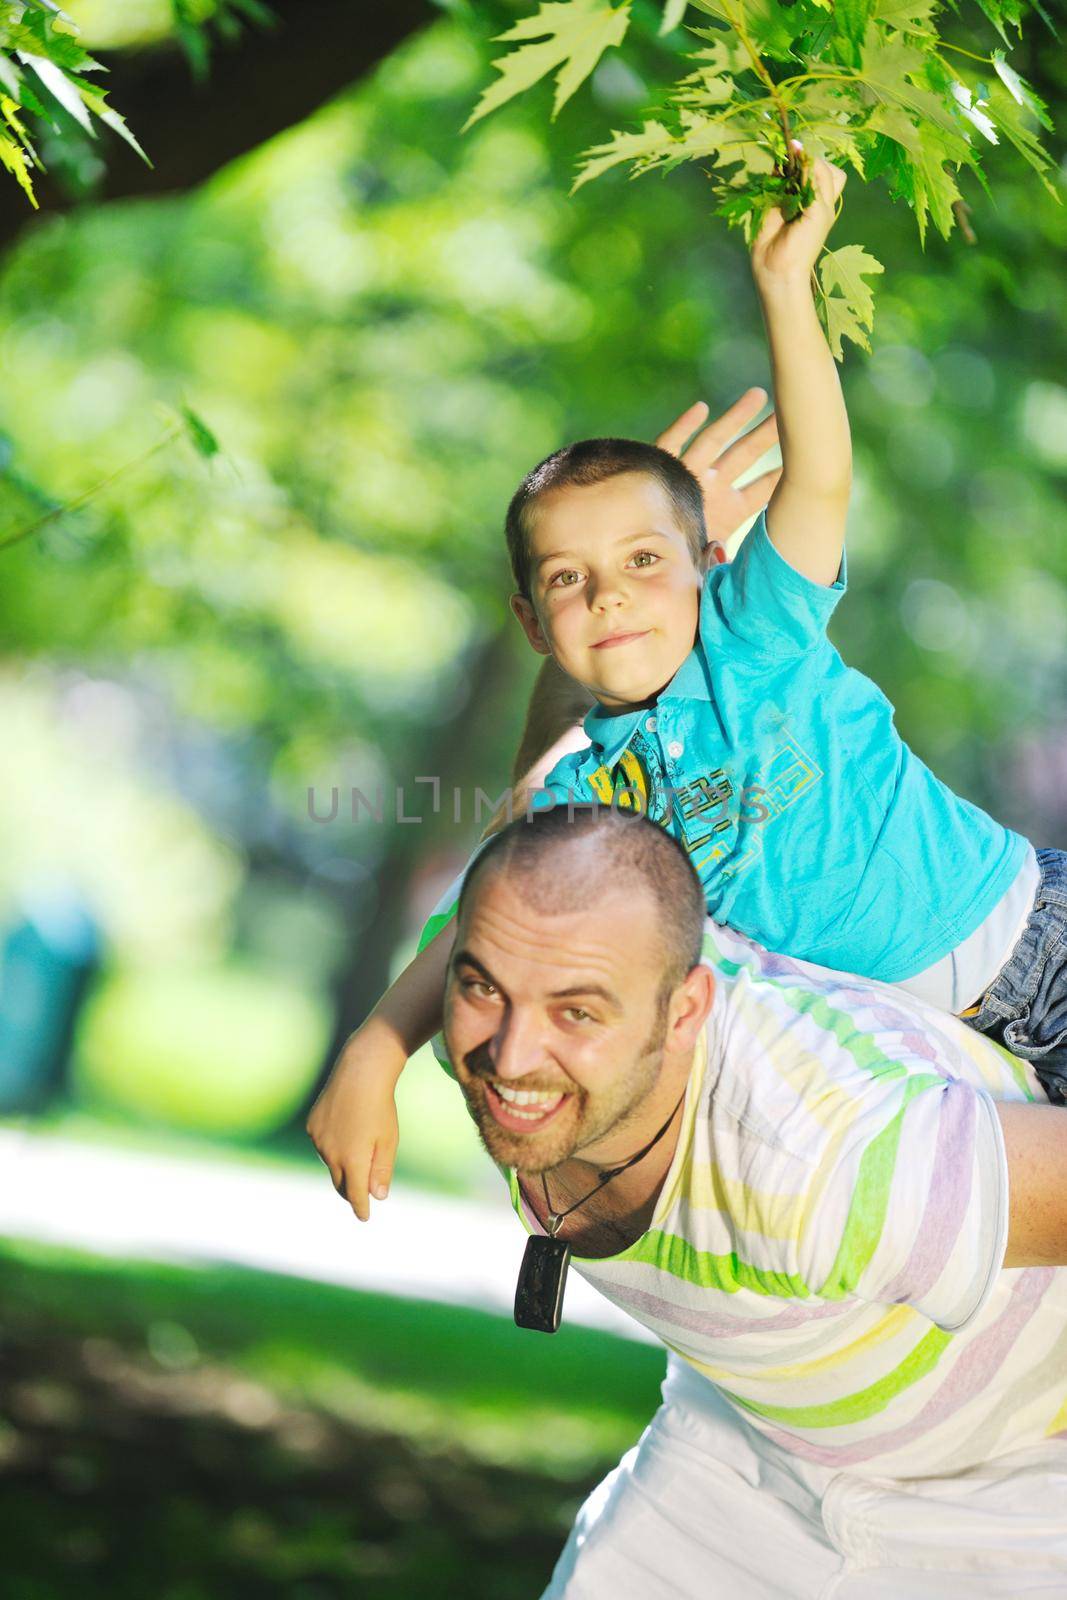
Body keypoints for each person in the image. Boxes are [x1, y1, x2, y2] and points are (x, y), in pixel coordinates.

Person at [307, 156, 1067, 1225]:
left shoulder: (752, 633)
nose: (610, 596)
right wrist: (372, 1053)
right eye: (568, 580)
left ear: (709, 560)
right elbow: (477, 929)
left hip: (1039, 944)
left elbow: (819, 478)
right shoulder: (591, 793)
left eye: (644, 562)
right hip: (928, 1065)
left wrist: (782, 284)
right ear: (532, 624)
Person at [440, 805, 1067, 1599]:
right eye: (480, 986)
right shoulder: (509, 987)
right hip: (745, 1446)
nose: (510, 1056)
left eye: (576, 1012)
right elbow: (551, 773)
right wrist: (369, 1052)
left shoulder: (828, 1155)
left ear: (685, 1009)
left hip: (1013, 1496)